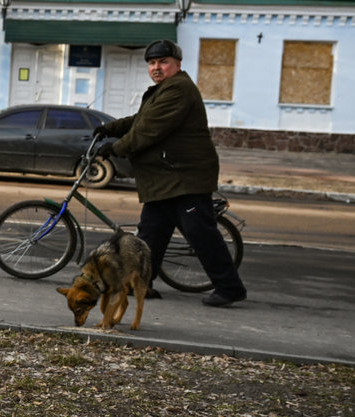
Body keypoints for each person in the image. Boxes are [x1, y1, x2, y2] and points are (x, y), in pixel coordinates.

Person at [95, 38, 247, 307]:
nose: (156, 67)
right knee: (151, 234)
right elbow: (139, 120)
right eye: (152, 63)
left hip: (184, 177)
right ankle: (142, 283)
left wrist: (115, 148)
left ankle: (229, 287)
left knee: (200, 233)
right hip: (165, 178)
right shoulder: (164, 89)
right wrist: (110, 128)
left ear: (177, 64)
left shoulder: (179, 90)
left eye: (163, 62)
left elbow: (148, 130)